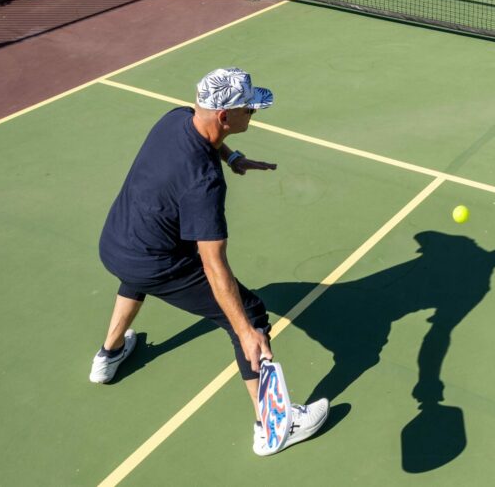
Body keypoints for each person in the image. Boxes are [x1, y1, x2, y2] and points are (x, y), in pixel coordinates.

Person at [89, 67, 329, 457]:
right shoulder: (203, 184)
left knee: (142, 269)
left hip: (116, 242)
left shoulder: (176, 118)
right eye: (249, 110)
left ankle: (109, 355)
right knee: (248, 313)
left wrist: (232, 156)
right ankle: (272, 426)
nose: (253, 113)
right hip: (153, 261)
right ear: (225, 117)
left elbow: (203, 134)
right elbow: (215, 267)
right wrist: (248, 331)